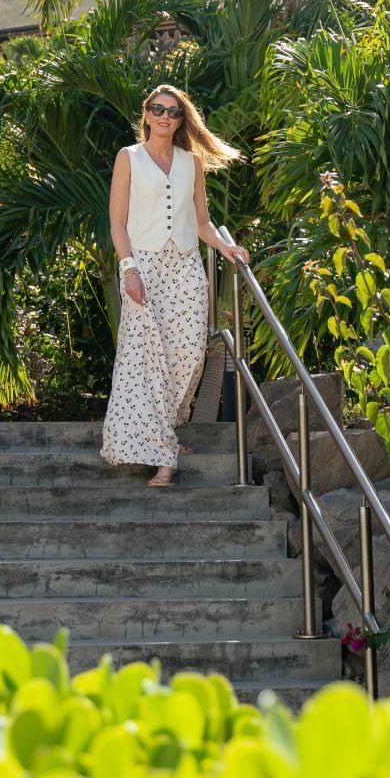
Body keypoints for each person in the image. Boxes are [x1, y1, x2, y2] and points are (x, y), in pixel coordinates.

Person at [100, 84, 248, 486]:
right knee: (145, 357)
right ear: (146, 114)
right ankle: (164, 454)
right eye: (158, 109)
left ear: (182, 118)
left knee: (187, 355)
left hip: (184, 266)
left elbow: (201, 223)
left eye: (174, 111)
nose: (165, 116)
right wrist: (128, 269)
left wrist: (227, 247)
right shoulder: (128, 157)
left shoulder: (191, 162)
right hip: (143, 266)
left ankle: (162, 430)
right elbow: (117, 222)